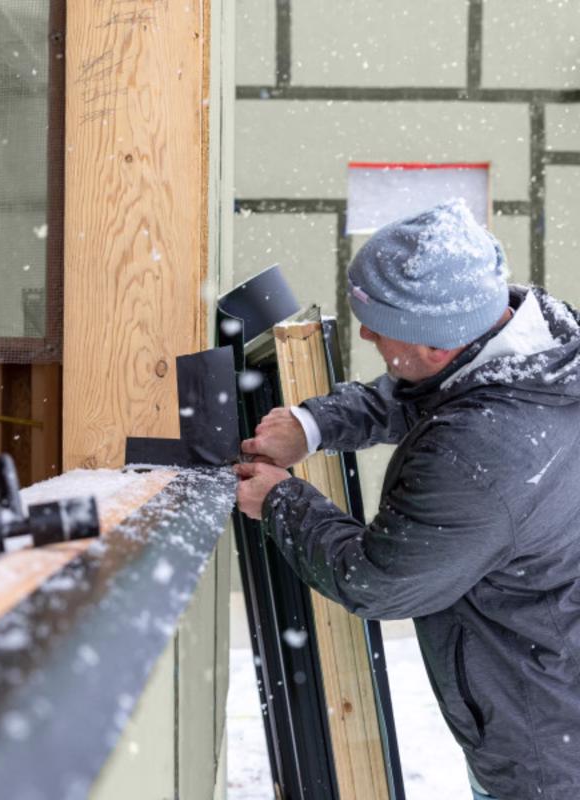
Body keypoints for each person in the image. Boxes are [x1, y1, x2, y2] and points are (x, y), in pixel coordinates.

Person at [234, 200, 580, 800]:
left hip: (545, 750)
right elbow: (431, 391)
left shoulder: (480, 455)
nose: (366, 334)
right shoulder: (543, 350)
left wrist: (280, 500)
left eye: (378, 325)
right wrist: (314, 424)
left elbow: (378, 581)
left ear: (437, 346)